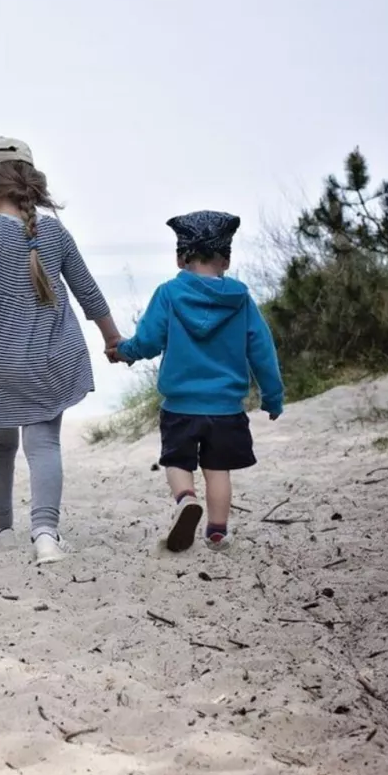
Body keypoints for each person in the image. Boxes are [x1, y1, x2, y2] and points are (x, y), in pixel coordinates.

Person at [0, 136, 124, 566]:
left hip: (2, 364)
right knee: (44, 445)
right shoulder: (55, 231)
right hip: (51, 361)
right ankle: (46, 535)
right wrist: (112, 339)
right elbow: (88, 292)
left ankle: (0, 528)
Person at [109, 210, 284, 552]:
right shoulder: (241, 300)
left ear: (180, 257)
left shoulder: (169, 294)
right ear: (227, 259)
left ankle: (186, 499)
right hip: (226, 408)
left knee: (177, 461)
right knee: (218, 470)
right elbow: (262, 350)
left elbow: (148, 340)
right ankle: (217, 532)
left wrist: (125, 352)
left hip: (181, 405)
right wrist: (273, 397)